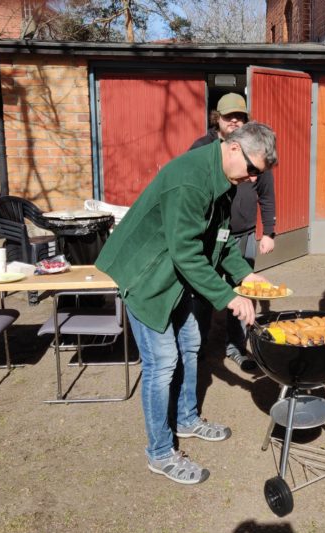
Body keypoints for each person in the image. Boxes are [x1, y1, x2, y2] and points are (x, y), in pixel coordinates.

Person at [95, 121, 278, 485]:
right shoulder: (191, 179)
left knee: (191, 344)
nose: (254, 179)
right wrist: (228, 297)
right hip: (146, 276)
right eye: (253, 169)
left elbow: (222, 240)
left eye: (260, 174)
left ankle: (186, 418)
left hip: (177, 278)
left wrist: (244, 276)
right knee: (162, 363)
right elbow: (186, 252)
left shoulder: (225, 181)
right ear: (233, 148)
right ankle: (160, 453)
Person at [189, 92, 276, 372]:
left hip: (245, 235)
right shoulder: (202, 149)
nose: (235, 121)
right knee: (204, 292)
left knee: (243, 292)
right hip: (211, 238)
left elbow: (267, 193)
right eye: (229, 116)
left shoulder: (256, 151)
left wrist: (269, 231)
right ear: (218, 118)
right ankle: (197, 346)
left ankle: (236, 347)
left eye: (240, 116)